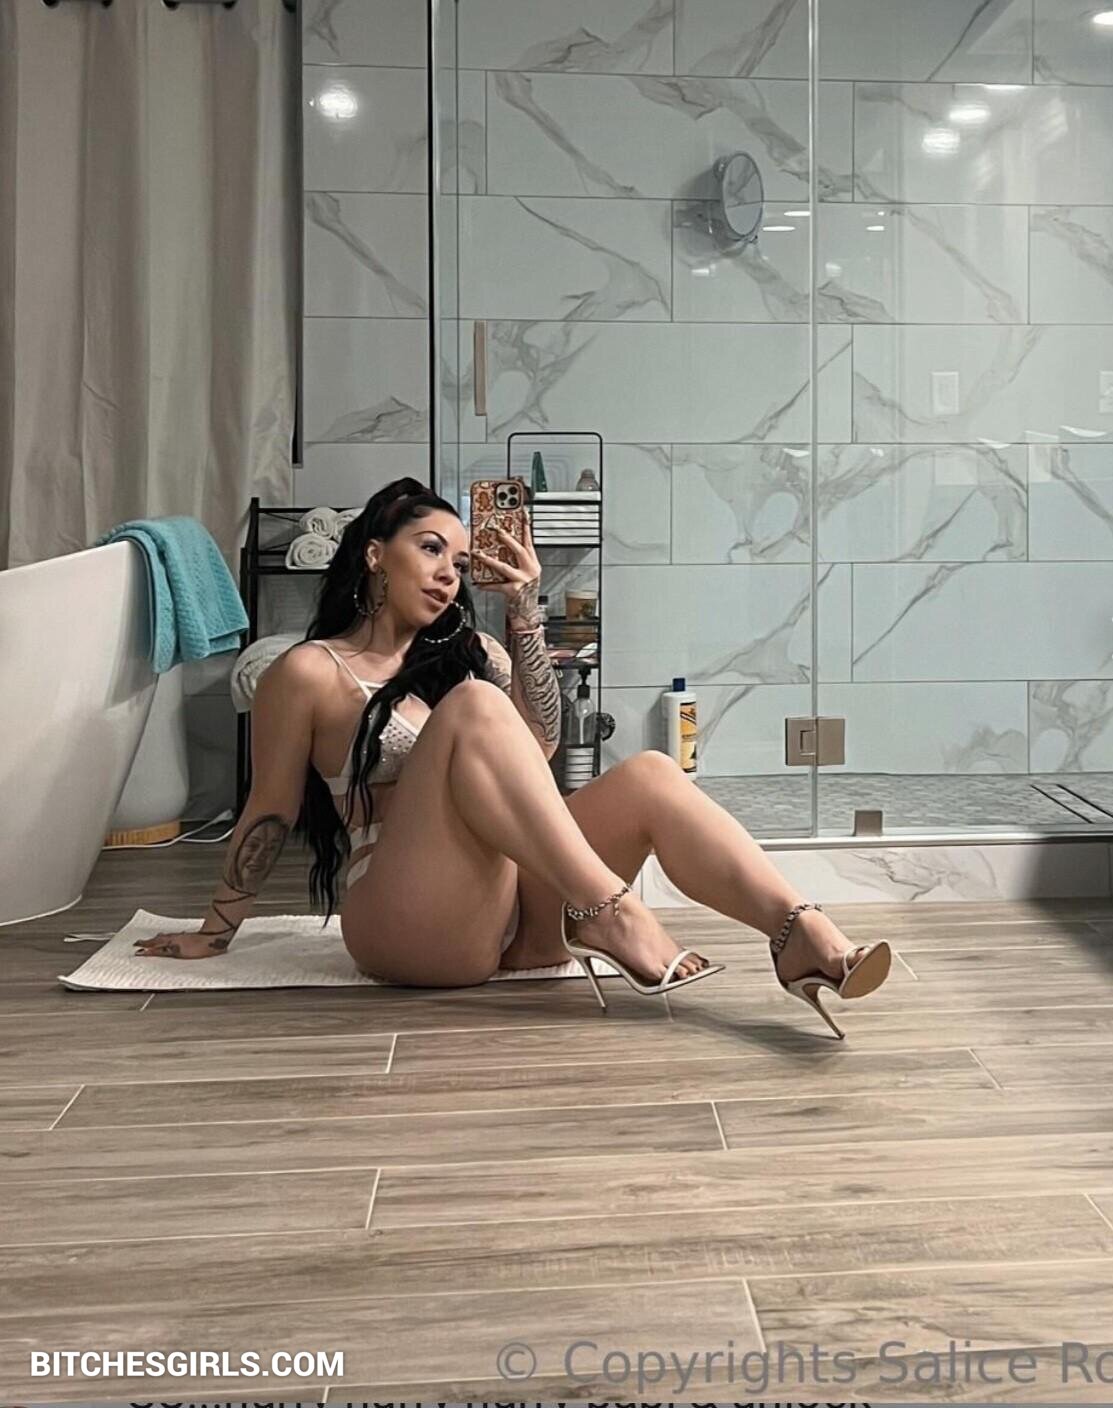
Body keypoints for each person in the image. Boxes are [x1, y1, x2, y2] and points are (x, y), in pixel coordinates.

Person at [134, 478, 892, 1035]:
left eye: (461, 561)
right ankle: (613, 913)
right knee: (473, 705)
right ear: (373, 555)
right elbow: (269, 809)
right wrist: (216, 930)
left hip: (513, 914)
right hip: (406, 918)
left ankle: (799, 936)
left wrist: (524, 610)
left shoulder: (471, 654)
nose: (448, 572)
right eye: (430, 548)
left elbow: (540, 748)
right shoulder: (308, 672)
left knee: (651, 775)